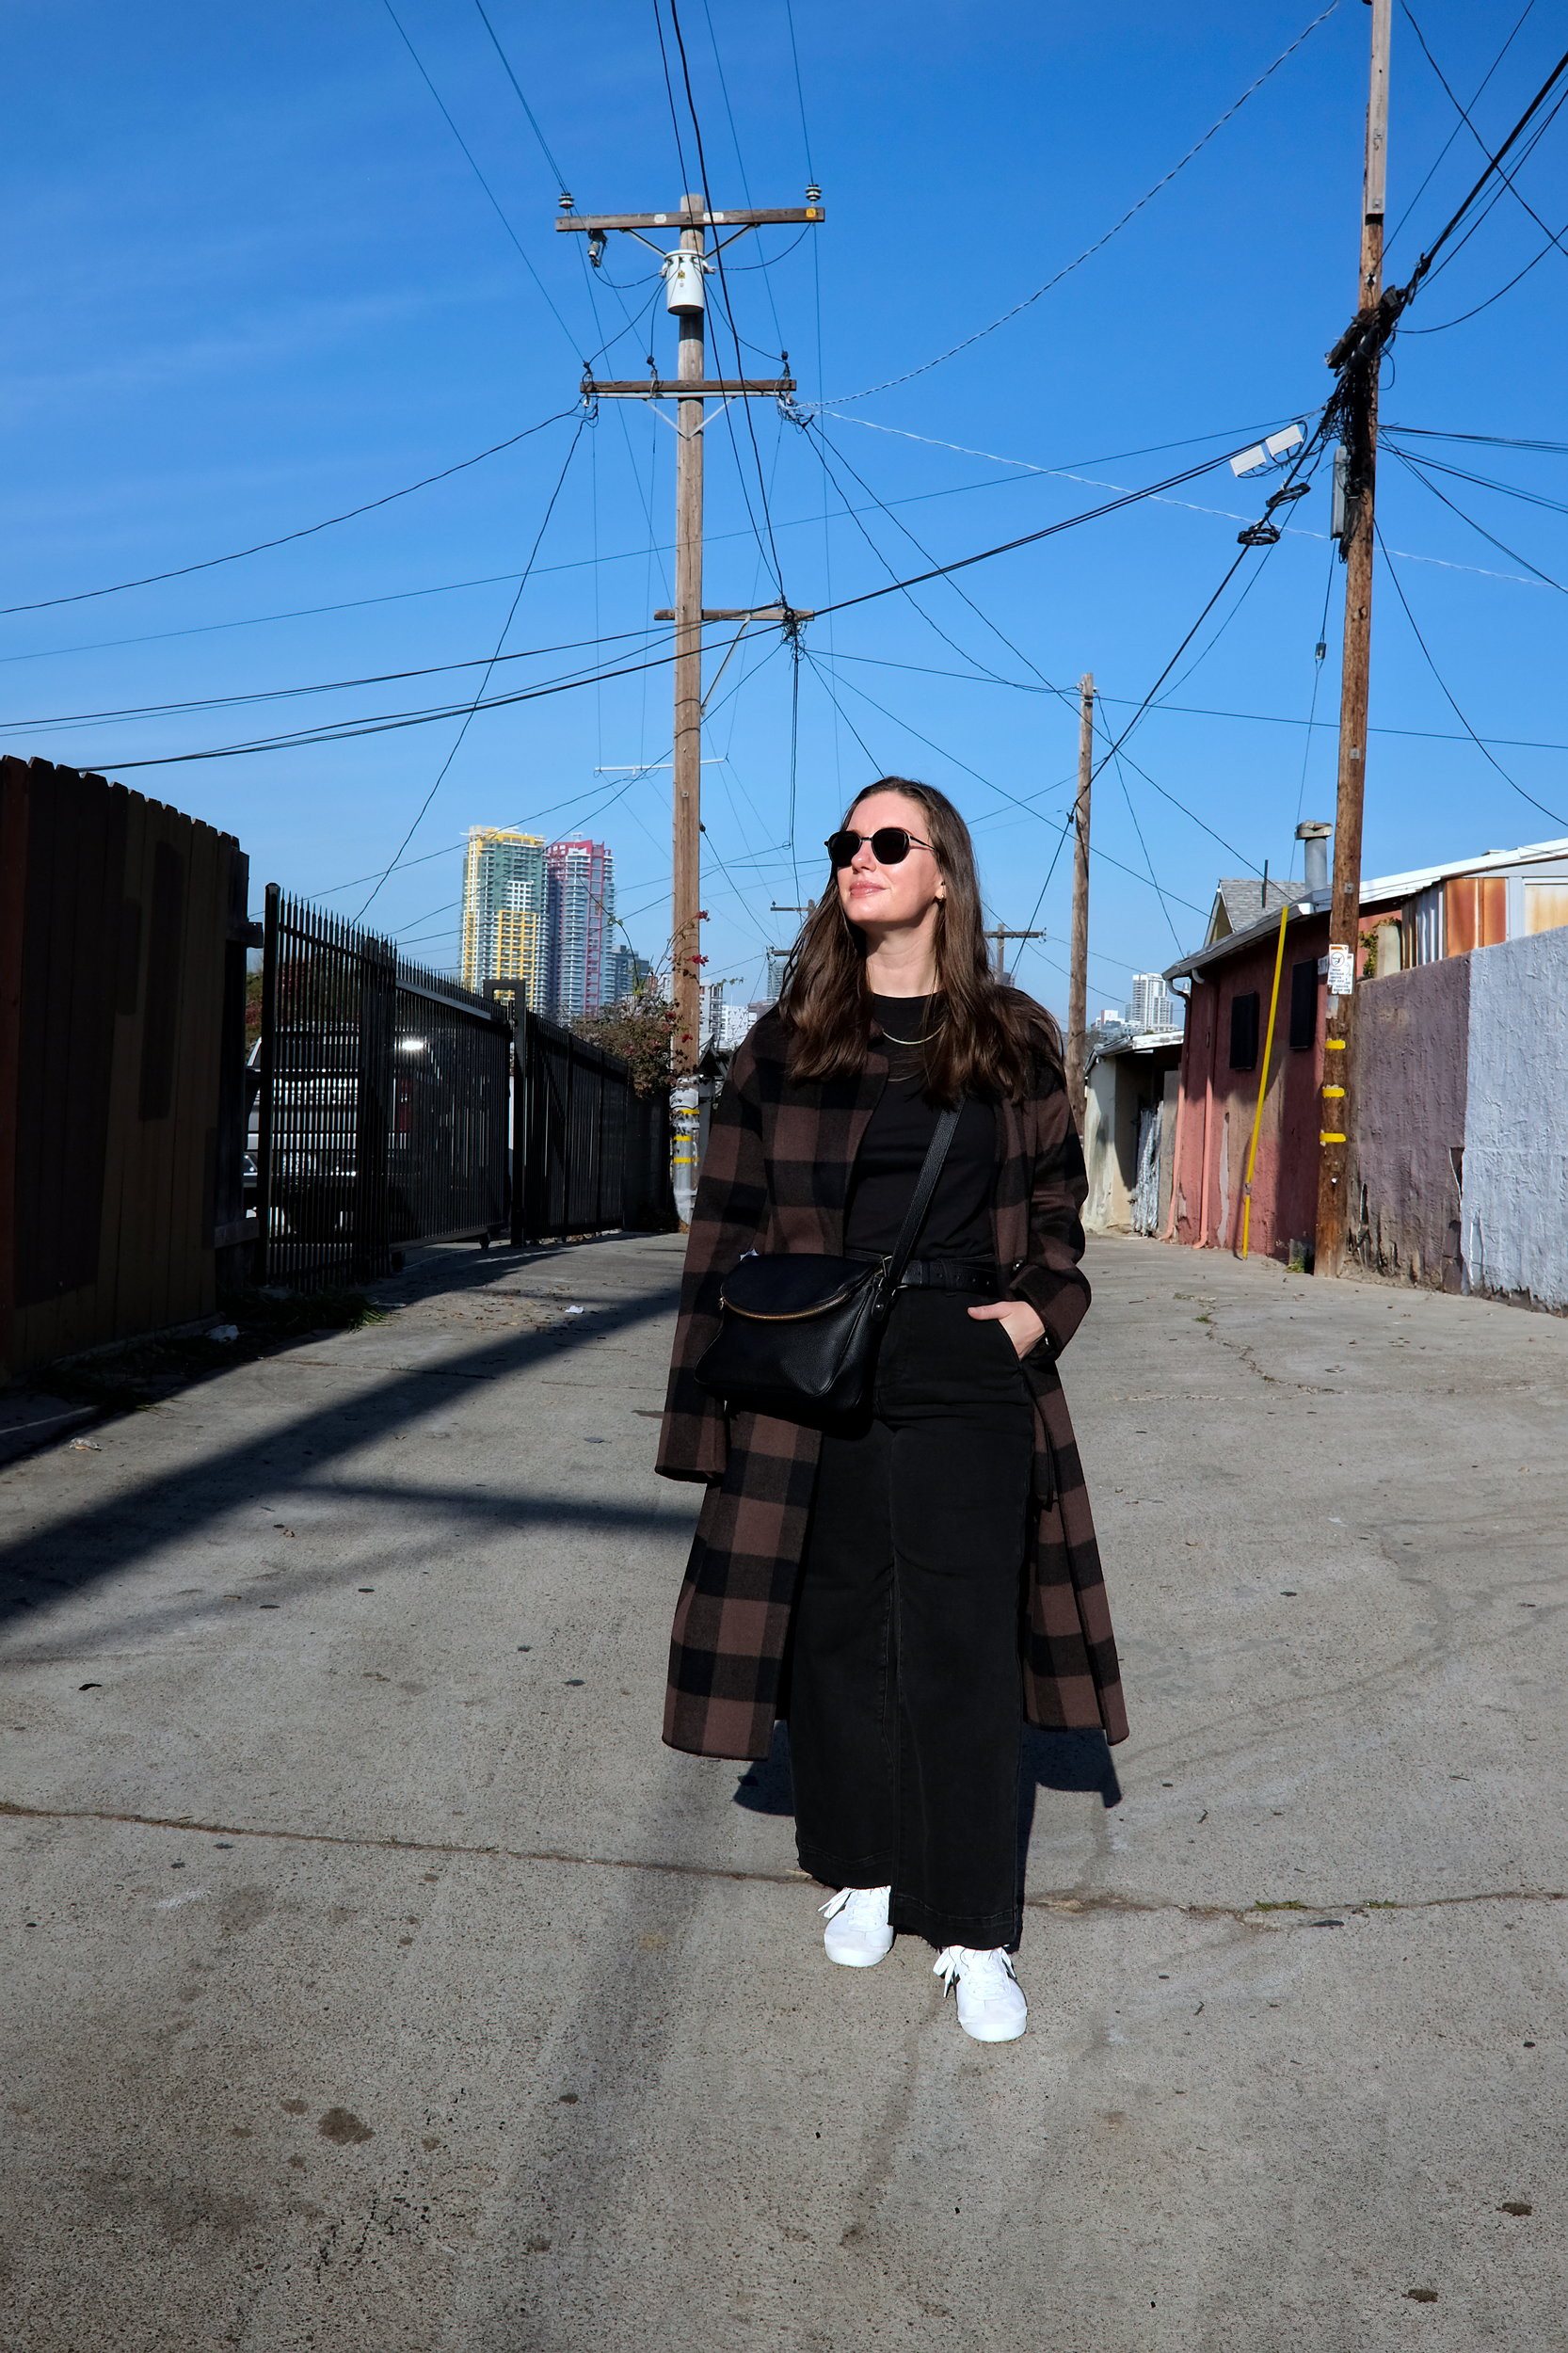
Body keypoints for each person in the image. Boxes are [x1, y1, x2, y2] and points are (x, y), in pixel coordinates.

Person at [656, 776, 1126, 2043]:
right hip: (812, 1366)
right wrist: (702, 1410)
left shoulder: (1011, 1036)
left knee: (963, 1651)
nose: (856, 859)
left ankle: (975, 1929)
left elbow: (1053, 1216)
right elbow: (727, 1231)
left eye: (885, 843)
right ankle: (862, 1864)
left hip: (962, 1364)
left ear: (939, 875)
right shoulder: (785, 1037)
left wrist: (1038, 1313)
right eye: (844, 844)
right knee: (838, 1634)